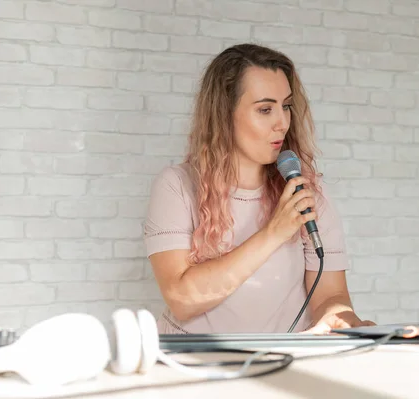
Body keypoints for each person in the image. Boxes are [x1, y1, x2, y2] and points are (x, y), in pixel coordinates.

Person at [143, 43, 375, 335]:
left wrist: (339, 318)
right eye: (265, 109)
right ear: (225, 113)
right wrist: (274, 232)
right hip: (195, 362)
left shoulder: (305, 192)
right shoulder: (176, 186)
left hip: (278, 362)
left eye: (286, 106)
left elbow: (330, 295)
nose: (282, 123)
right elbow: (181, 299)